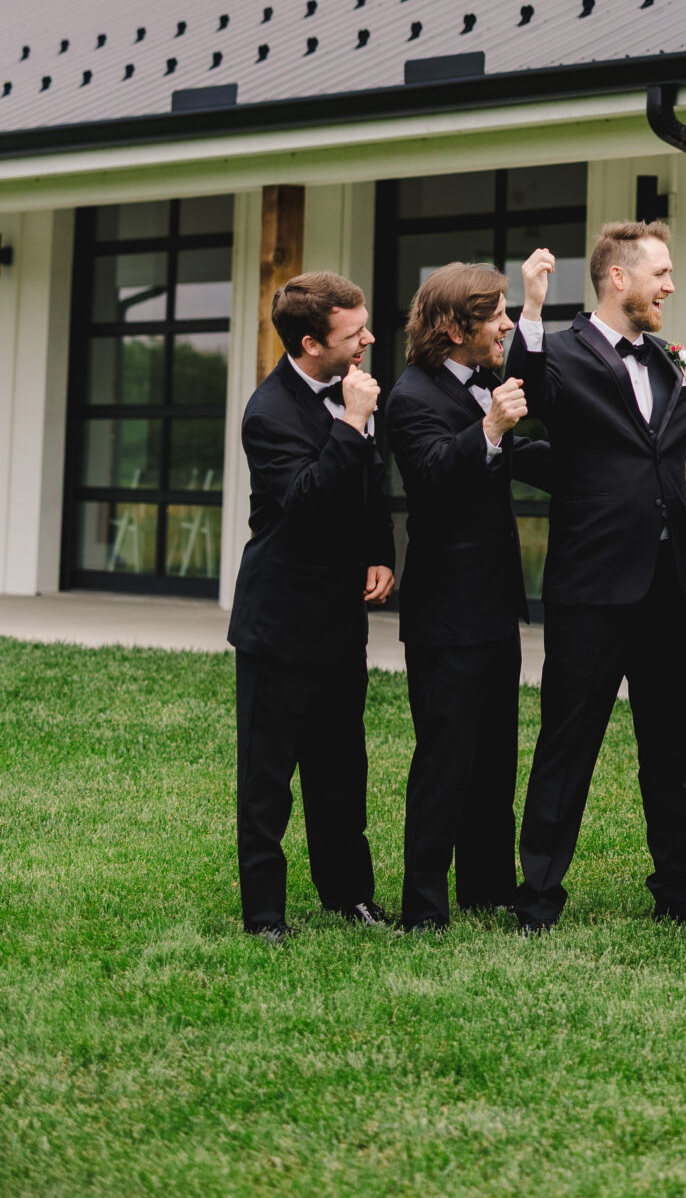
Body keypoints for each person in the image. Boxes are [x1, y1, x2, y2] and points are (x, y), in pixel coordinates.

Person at [503, 220, 686, 932]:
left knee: (665, 744)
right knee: (566, 742)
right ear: (618, 278)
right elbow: (529, 392)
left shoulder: (671, 359)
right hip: (592, 586)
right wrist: (534, 310)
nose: (669, 285)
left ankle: (679, 888)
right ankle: (539, 894)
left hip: (668, 584)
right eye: (660, 273)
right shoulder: (562, 352)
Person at [385, 254, 556, 932]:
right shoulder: (410, 395)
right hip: (443, 614)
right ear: (455, 326)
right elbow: (429, 473)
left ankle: (487, 885)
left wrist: (538, 306)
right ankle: (423, 905)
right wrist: (488, 430)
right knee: (444, 760)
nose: (505, 326)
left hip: (492, 605)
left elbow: (534, 396)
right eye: (497, 316)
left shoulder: (485, 377)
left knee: (493, 757)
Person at [227, 271, 396, 938]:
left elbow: (369, 484)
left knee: (339, 769)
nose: (369, 341)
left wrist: (380, 549)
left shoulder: (353, 391)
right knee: (267, 781)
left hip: (337, 620)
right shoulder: (267, 414)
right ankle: (264, 916)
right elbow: (307, 504)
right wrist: (351, 421)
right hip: (277, 622)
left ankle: (348, 895)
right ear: (309, 343)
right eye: (354, 334)